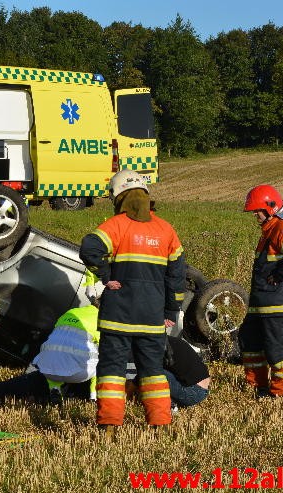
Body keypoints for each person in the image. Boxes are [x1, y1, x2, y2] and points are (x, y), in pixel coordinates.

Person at [80, 169, 185, 431]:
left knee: (112, 370)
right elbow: (177, 276)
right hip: (151, 316)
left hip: (118, 315)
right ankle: (160, 422)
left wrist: (105, 276)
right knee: (152, 370)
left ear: (119, 197)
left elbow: (89, 248)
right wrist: (171, 309)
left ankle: (110, 423)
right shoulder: (166, 230)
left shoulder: (115, 226)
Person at [0, 302, 100, 404]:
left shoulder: (72, 313)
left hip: (47, 370)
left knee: (20, 386)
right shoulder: (107, 321)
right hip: (82, 376)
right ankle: (85, 398)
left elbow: (51, 345)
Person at [239, 184, 283, 397]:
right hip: (260, 304)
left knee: (277, 350)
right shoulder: (268, 231)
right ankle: (257, 387)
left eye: (257, 211)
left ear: (270, 207)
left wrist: (279, 275)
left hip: (276, 305)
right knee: (250, 344)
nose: (255, 215)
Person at [126, 336, 210, 409]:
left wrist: (127, 396)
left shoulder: (154, 348)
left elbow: (143, 374)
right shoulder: (165, 342)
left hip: (194, 392)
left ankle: (171, 406)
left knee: (151, 373)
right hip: (200, 389)